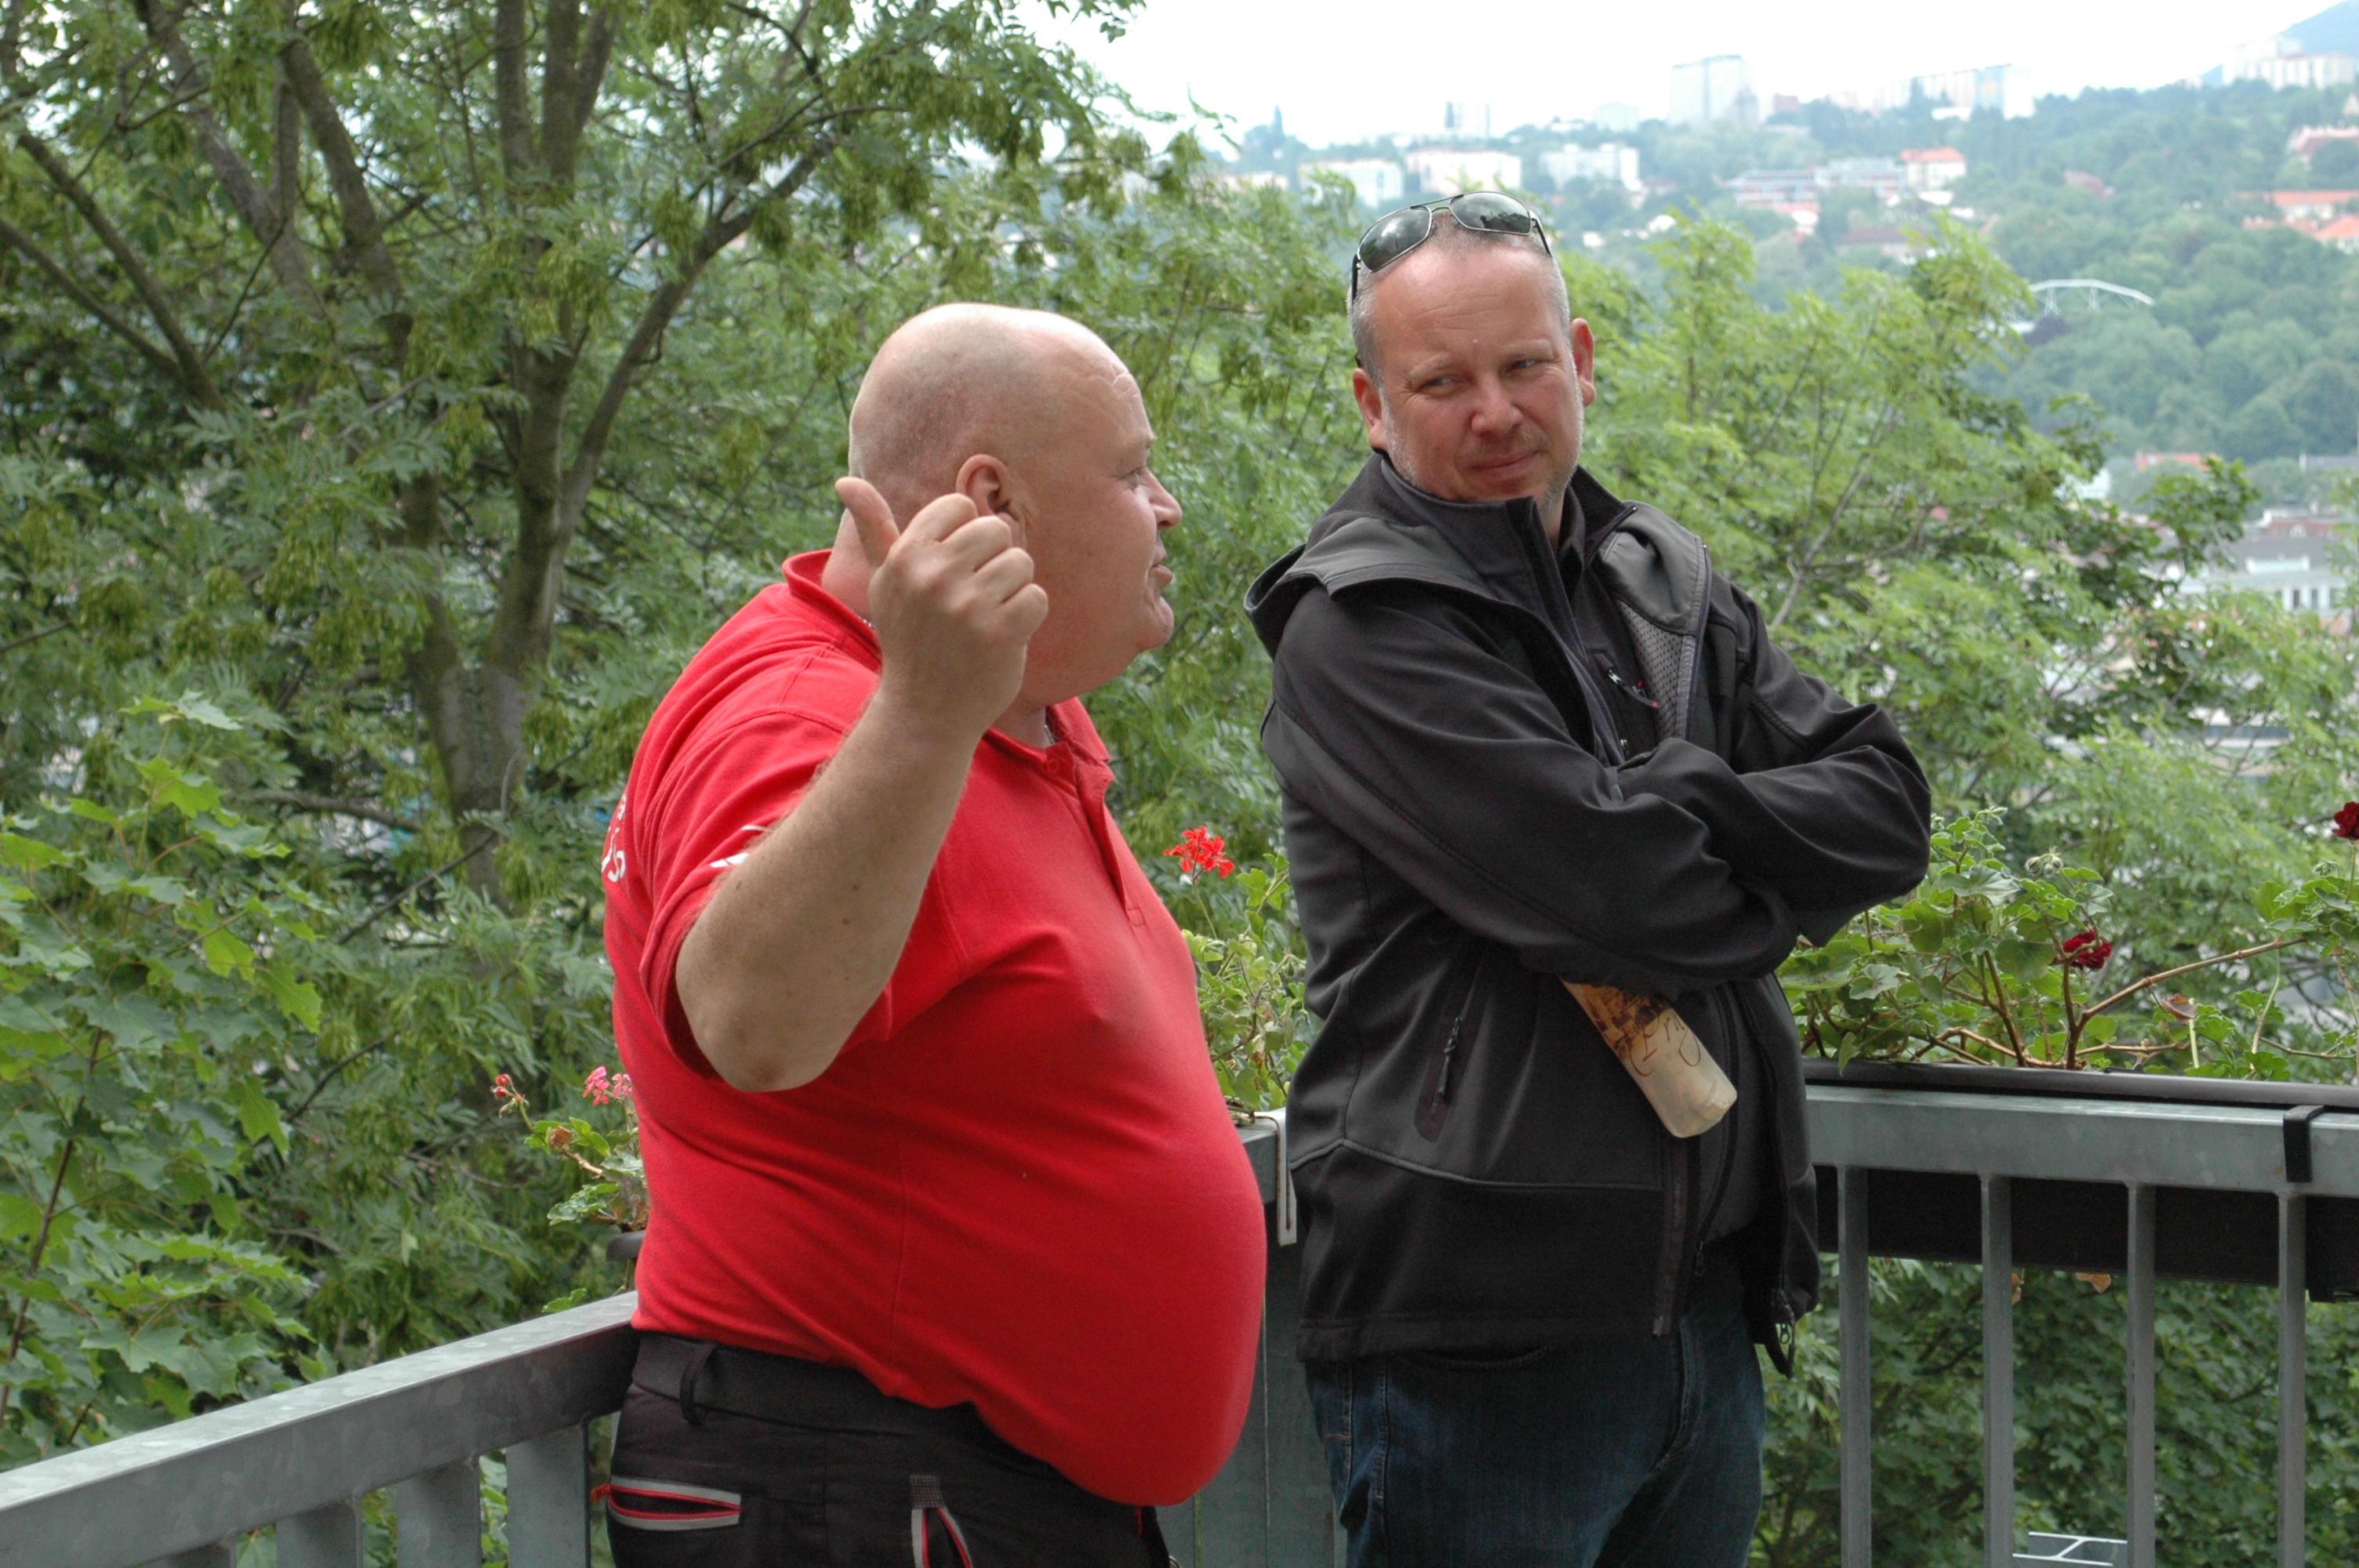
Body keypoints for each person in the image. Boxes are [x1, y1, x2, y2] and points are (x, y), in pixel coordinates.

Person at [1244, 194, 1934, 1565]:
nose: (1495, 411)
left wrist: (1669, 800)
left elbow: (1887, 805)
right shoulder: (1361, 627)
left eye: (1524, 365)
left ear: (1582, 361)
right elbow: (1635, 905)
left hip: (1706, 1305)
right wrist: (1742, 859)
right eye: (1442, 382)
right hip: (1477, 1334)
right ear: (1373, 407)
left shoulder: (1656, 580)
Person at [598, 303, 1267, 1565]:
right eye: (1132, 473)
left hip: (948, 1491)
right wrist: (920, 712)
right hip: (855, 1491)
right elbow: (747, 1024)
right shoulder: (810, 708)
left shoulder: (1000, 708)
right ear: (991, 504)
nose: (1167, 508)